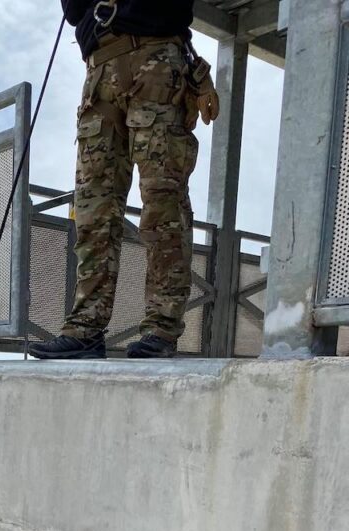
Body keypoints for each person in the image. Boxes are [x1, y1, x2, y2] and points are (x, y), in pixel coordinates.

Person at [29, 0, 219, 361]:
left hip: (157, 58)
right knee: (92, 208)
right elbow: (73, 10)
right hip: (100, 71)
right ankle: (85, 327)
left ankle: (161, 328)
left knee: (163, 201)